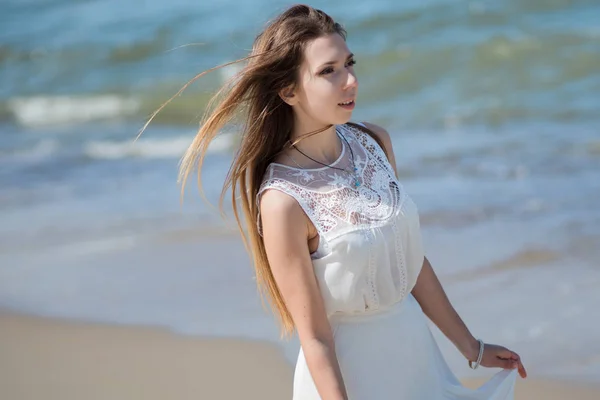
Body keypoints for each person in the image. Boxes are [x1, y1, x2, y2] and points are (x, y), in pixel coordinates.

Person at [144, 4, 528, 399]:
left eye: (349, 64)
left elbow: (411, 263)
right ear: (288, 91)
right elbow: (315, 339)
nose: (350, 81)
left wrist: (471, 346)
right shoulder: (282, 201)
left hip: (417, 360)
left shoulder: (375, 143)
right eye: (329, 71)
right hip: (350, 378)